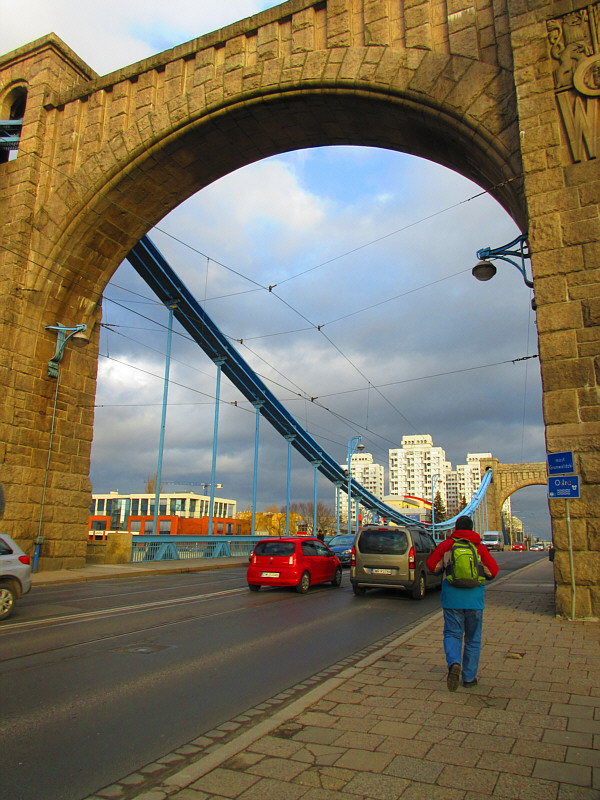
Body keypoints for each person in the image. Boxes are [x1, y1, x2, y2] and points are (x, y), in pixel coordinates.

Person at [426, 515, 499, 692]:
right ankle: (469, 678)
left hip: (452, 599)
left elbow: (431, 566)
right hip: (474, 601)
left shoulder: (446, 546)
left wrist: (445, 568)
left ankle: (454, 663)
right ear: (472, 528)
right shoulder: (479, 547)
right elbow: (494, 572)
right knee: (473, 638)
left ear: (456, 528)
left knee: (452, 633)